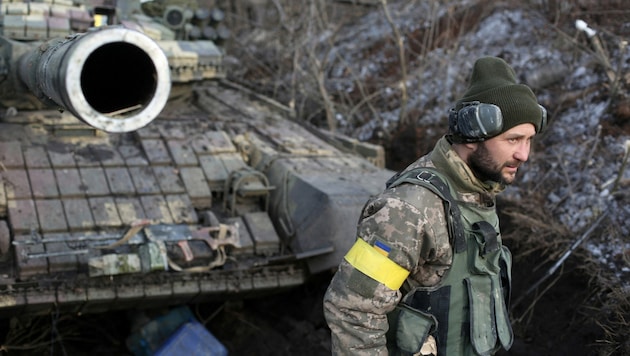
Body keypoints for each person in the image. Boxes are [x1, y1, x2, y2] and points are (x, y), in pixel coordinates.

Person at [323, 56, 547, 356]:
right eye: (513, 139)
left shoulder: (476, 188)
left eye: (529, 140)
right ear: (472, 135)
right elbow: (352, 310)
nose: (524, 154)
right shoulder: (408, 209)